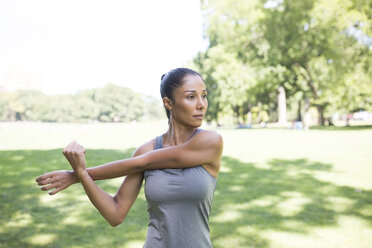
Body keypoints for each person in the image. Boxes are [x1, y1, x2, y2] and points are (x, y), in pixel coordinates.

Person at [35, 68, 223, 248]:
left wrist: (74, 175)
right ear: (169, 103)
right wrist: (82, 175)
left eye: (204, 95)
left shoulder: (210, 142)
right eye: (191, 96)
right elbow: (116, 214)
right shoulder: (147, 149)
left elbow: (144, 162)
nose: (202, 104)